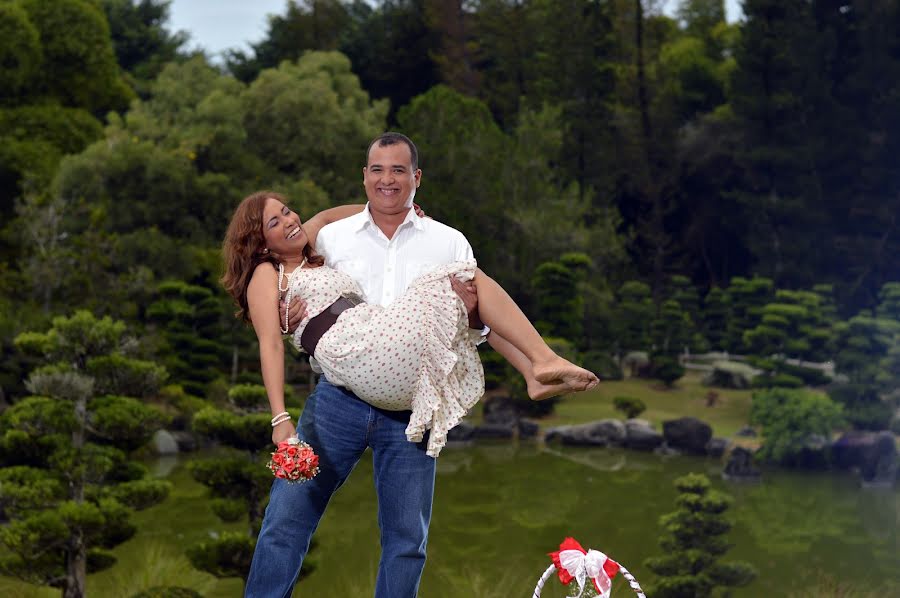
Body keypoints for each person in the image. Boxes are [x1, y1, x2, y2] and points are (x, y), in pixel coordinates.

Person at [234, 132, 598, 597]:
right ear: (364, 177)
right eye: (378, 171)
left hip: (411, 409)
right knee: (285, 520)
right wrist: (280, 416)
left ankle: (537, 368)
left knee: (407, 541)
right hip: (337, 403)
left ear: (416, 178)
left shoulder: (446, 241)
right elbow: (271, 338)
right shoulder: (327, 239)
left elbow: (475, 326)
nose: (388, 180)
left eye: (399, 171)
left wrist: (459, 298)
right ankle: (538, 363)